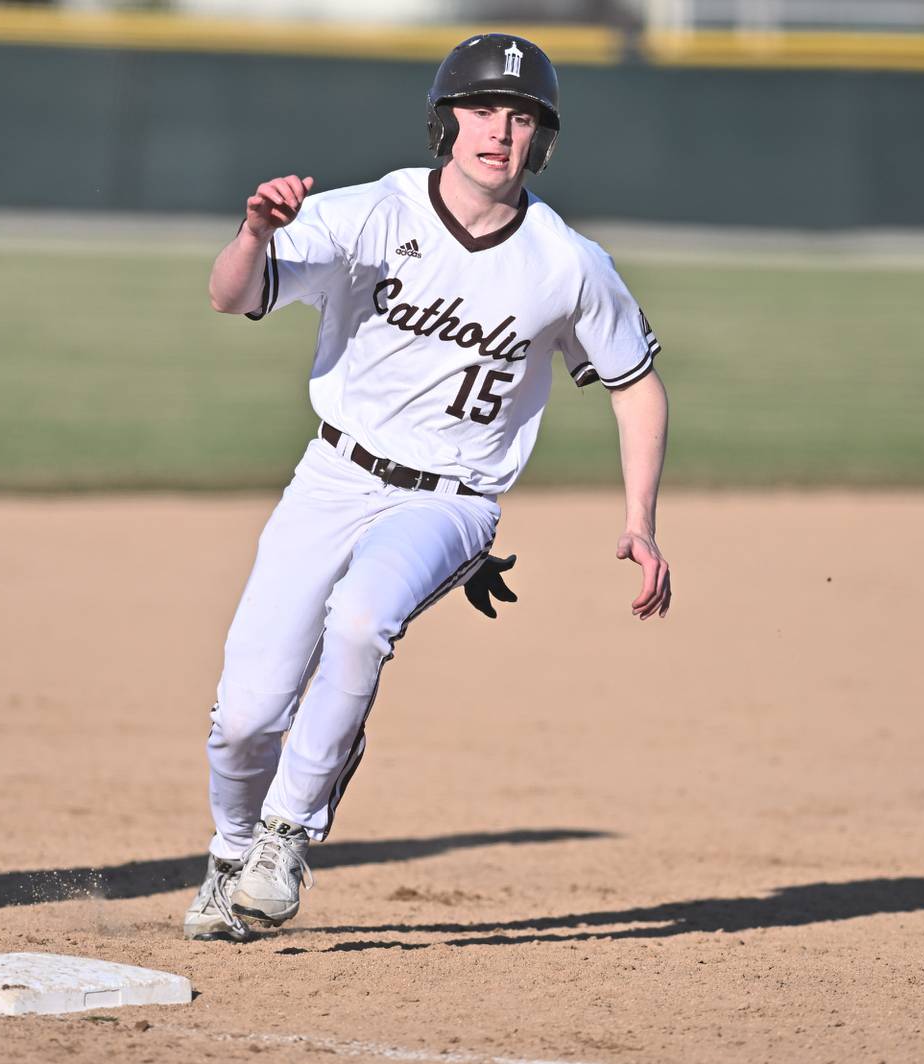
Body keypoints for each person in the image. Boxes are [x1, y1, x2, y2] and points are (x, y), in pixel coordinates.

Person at [184, 34, 671, 942]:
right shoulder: (373, 212)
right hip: (333, 475)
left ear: (544, 140)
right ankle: (230, 851)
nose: (501, 130)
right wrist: (254, 231)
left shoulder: (566, 262)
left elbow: (636, 383)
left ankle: (289, 836)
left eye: (523, 117)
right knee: (245, 716)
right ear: (447, 120)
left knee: (364, 622)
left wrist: (640, 520)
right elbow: (230, 296)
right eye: (484, 108)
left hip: (453, 499)